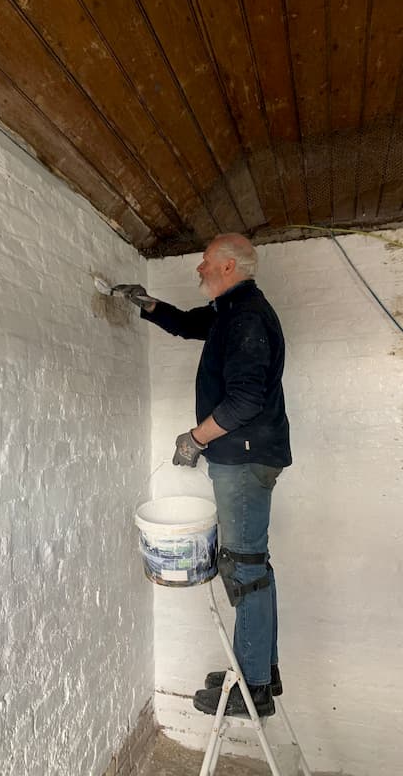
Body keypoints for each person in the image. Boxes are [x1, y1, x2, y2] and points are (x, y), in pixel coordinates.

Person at [116, 233, 291, 718]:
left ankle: (252, 686)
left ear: (230, 266)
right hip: (246, 457)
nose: (199, 269)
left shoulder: (248, 317)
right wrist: (148, 305)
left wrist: (195, 438)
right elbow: (192, 325)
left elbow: (245, 401)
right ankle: (260, 669)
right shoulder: (231, 312)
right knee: (251, 565)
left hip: (244, 458)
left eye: (206, 263)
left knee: (244, 568)